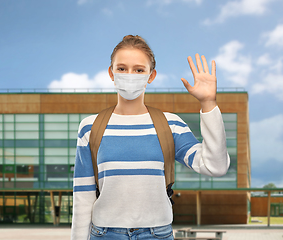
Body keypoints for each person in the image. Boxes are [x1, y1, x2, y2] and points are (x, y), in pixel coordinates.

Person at [71, 35, 230, 240]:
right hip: (104, 234)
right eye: (121, 68)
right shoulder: (90, 127)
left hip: (157, 234)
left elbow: (215, 166)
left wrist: (208, 103)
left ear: (151, 75)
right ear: (111, 73)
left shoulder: (170, 125)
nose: (130, 75)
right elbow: (83, 197)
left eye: (139, 70)